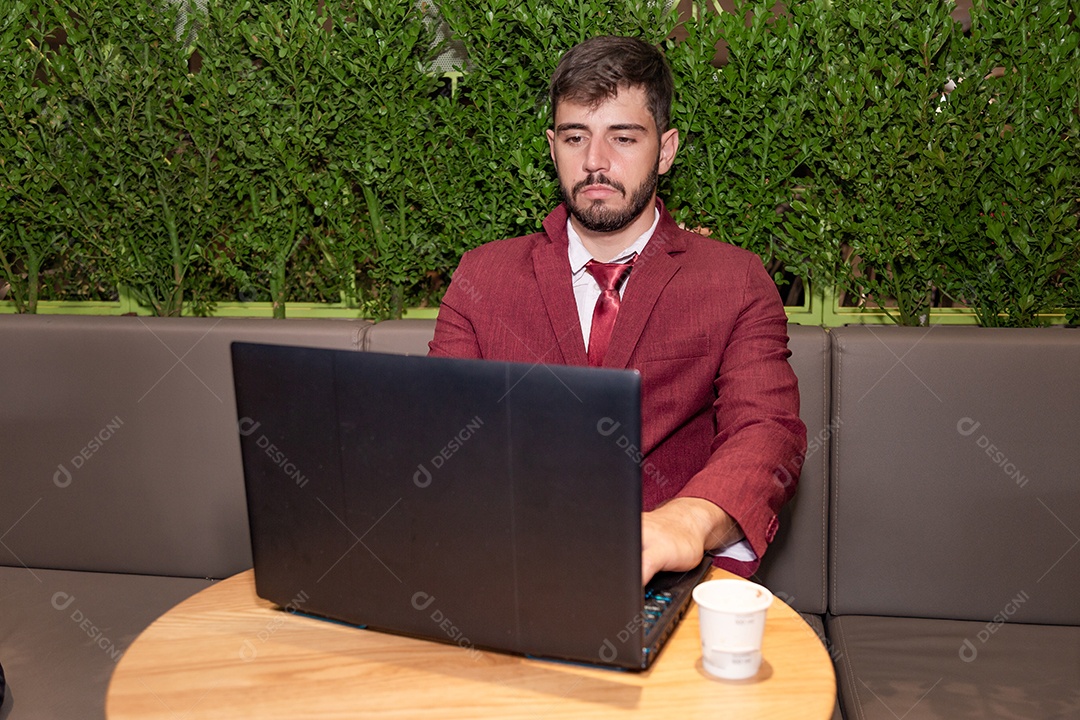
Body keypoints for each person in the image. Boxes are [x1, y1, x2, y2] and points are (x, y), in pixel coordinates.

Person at [428, 35, 805, 584]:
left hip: (672, 576)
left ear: (666, 151)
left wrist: (687, 521)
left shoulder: (735, 281)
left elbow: (767, 430)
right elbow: (440, 431)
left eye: (623, 138)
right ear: (552, 147)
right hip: (505, 569)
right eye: (575, 137)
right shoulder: (482, 277)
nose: (595, 162)